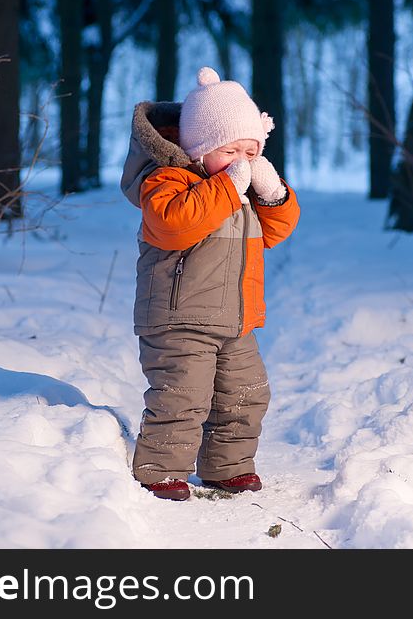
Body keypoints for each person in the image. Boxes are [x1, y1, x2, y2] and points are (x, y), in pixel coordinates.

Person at [120, 67, 300, 500]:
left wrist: (272, 193)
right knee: (182, 396)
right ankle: (160, 470)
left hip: (234, 318)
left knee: (246, 394)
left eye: (251, 150)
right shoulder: (168, 181)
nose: (243, 161)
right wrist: (230, 184)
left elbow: (274, 233)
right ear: (199, 148)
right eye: (231, 150)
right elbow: (174, 225)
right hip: (178, 317)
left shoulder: (236, 188)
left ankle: (227, 467)